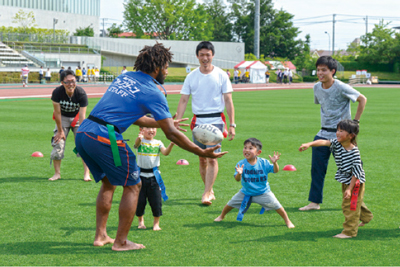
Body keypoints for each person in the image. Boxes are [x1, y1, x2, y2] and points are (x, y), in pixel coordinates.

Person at [75, 43, 226, 251]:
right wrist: (201, 151)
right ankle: (120, 242)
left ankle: (101, 236)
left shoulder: (124, 78)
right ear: (157, 67)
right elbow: (171, 133)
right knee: (133, 185)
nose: (166, 71)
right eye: (166, 67)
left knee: (109, 183)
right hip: (105, 137)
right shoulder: (153, 92)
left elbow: (132, 116)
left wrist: (161, 122)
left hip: (84, 132)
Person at [299, 56, 367, 211]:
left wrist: (355, 123)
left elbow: (362, 99)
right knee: (317, 169)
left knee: (352, 169)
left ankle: (357, 202)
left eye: (324, 70)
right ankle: (314, 203)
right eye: (318, 70)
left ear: (333, 71)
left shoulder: (341, 87)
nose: (320, 73)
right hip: (323, 133)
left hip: (342, 136)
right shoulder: (316, 88)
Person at [176, 41, 235, 206]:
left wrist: (232, 124)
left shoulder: (221, 75)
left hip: (216, 121)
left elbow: (228, 101)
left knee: (212, 159)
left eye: (207, 55)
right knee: (202, 159)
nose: (204, 58)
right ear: (197, 56)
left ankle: (206, 193)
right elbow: (183, 100)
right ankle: (209, 189)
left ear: (212, 55)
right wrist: (177, 121)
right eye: (201, 55)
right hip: (198, 122)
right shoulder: (191, 76)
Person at [299, 120, 373, 238]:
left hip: (355, 182)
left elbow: (356, 173)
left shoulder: (354, 153)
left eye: (341, 131)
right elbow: (323, 142)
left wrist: (350, 189)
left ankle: (349, 232)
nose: (337, 133)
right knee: (355, 202)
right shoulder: (337, 143)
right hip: (345, 180)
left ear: (351, 136)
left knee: (349, 206)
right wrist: (309, 144)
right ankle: (366, 216)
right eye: (337, 130)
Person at [214, 138, 295, 228]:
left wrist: (275, 163)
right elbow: (237, 179)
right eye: (245, 147)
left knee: (277, 206)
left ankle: (288, 221)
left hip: (263, 192)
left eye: (250, 148)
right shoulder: (241, 164)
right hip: (246, 192)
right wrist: (239, 173)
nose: (247, 150)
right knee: (230, 204)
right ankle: (221, 216)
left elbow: (275, 171)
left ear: (258, 152)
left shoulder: (264, 162)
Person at [49, 69, 91, 182]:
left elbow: (82, 116)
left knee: (84, 145)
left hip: (77, 119)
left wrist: (82, 133)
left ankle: (86, 174)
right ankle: (57, 173)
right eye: (67, 82)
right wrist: (60, 131)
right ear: (62, 83)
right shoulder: (57, 93)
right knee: (58, 143)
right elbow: (57, 113)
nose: (71, 84)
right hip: (62, 118)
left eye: (73, 81)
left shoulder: (81, 93)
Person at [134, 124, 174, 231]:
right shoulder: (140, 141)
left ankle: (156, 223)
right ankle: (140, 221)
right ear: (141, 129)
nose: (151, 130)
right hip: (140, 176)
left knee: (156, 201)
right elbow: (136, 144)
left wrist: (171, 144)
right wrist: (139, 138)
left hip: (154, 176)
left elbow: (165, 152)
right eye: (147, 128)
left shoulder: (158, 142)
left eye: (153, 128)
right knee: (140, 201)